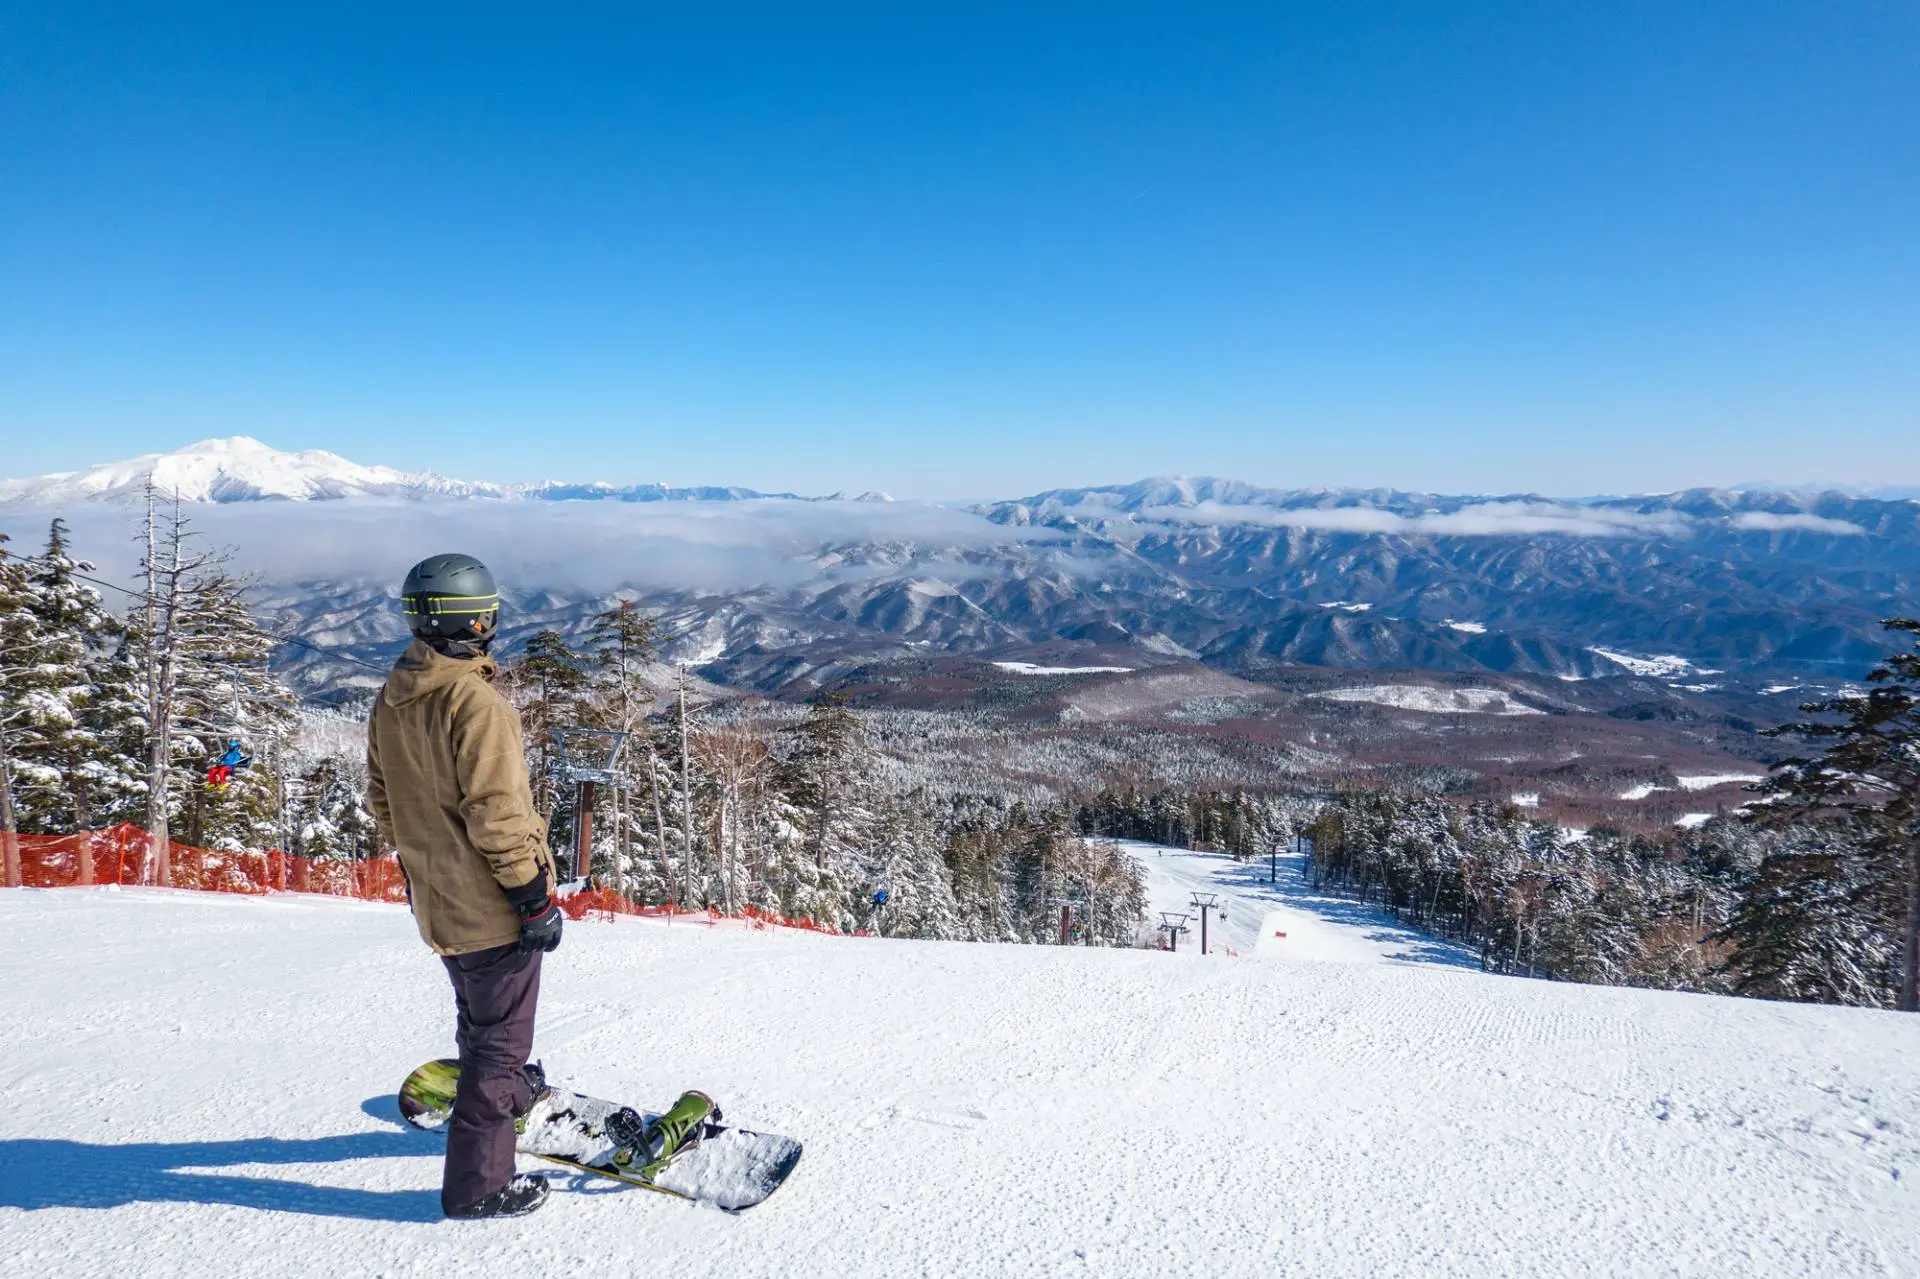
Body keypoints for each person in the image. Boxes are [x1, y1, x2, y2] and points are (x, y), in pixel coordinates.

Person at [366, 552, 564, 1220]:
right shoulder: (475, 703)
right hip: (490, 905)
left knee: (483, 1017)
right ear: (476, 619)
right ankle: (479, 1182)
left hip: (440, 900)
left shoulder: (396, 692)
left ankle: (508, 1094)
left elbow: (382, 796)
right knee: (501, 1040)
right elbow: (499, 814)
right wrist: (532, 897)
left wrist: (426, 858)